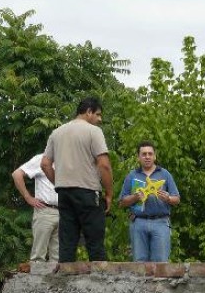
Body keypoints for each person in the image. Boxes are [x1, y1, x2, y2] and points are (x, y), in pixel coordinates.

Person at [41, 97, 113, 263]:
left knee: (67, 242)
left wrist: (59, 182)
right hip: (88, 191)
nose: (100, 119)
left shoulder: (56, 132)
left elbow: (45, 164)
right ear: (88, 112)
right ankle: (99, 282)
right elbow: (104, 165)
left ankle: (65, 283)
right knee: (95, 241)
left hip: (64, 193)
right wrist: (109, 194)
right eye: (98, 114)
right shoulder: (93, 131)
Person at [118, 141, 180, 262]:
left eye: (150, 154)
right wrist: (135, 197)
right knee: (139, 264)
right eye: (144, 154)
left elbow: (177, 199)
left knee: (161, 263)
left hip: (161, 222)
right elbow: (122, 202)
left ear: (154, 156)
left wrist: (168, 198)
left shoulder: (165, 174)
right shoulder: (132, 175)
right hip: (138, 222)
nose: (147, 157)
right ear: (138, 157)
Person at [12, 154, 59, 262]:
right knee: (38, 255)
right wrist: (28, 197)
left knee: (59, 258)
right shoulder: (42, 158)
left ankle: (56, 279)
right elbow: (17, 174)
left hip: (65, 211)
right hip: (45, 210)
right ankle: (37, 278)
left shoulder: (69, 160)